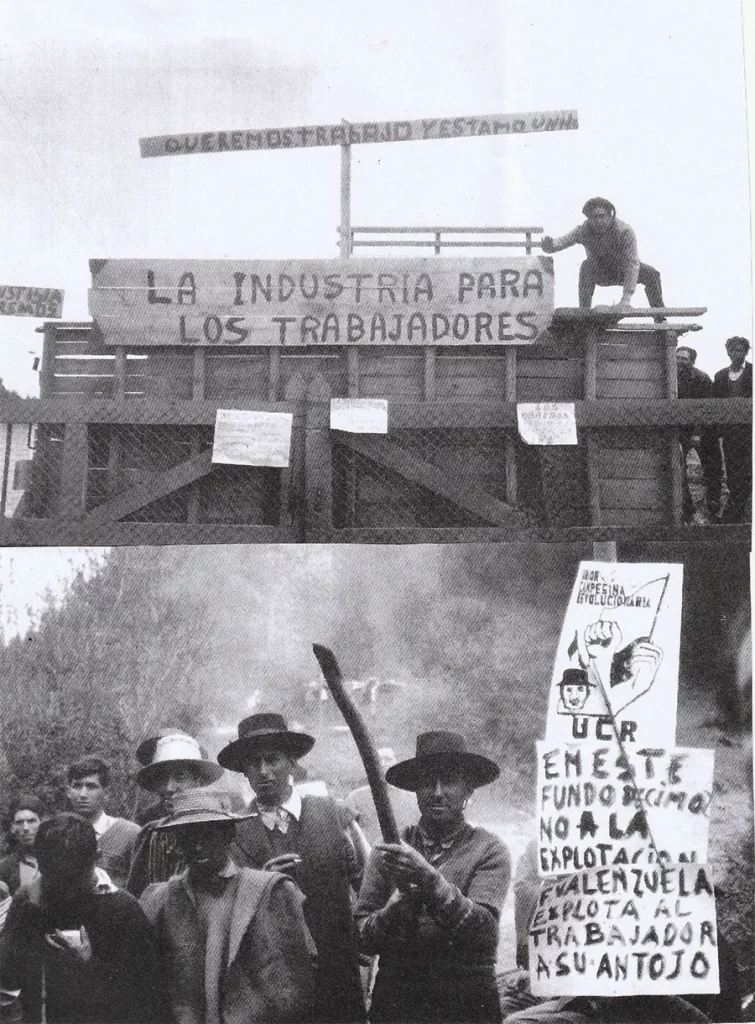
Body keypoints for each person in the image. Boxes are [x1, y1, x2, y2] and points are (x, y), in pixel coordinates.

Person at [218, 713, 367, 1024]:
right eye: (253, 763)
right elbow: (224, 915)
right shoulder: (232, 836)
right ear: (243, 770)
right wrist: (256, 887)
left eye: (272, 759)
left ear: (291, 762)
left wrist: (360, 943)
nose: (264, 771)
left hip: (337, 984)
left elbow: (370, 890)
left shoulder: (336, 817)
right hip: (270, 991)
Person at [355, 730, 511, 1024]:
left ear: (468, 790)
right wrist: (391, 912)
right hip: (398, 1004)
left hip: (466, 1005)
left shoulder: (489, 850)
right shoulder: (389, 850)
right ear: (416, 790)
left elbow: (483, 933)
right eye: (428, 782)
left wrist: (428, 878)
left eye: (449, 781)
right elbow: (361, 939)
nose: (437, 792)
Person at [140, 787, 316, 1024]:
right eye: (188, 837)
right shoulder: (161, 899)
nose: (198, 846)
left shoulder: (269, 892)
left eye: (207, 834)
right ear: (177, 842)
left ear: (229, 834)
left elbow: (293, 980)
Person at [0, 813, 167, 1024]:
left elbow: (148, 996)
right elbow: (8, 977)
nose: (67, 892)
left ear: (97, 858)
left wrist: (90, 963)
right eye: (56, 879)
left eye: (73, 880)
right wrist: (29, 911)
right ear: (41, 865)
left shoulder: (122, 909)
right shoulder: (29, 900)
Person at [126, 730, 225, 897]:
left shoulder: (222, 829)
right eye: (163, 778)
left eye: (180, 777)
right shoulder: (150, 835)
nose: (169, 787)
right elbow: (136, 895)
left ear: (198, 781)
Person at [541, 198, 664, 315]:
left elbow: (632, 264)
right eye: (594, 217)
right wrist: (550, 246)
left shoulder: (624, 231)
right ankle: (584, 312)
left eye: (602, 216)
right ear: (589, 219)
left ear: (610, 216)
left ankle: (660, 318)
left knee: (652, 274)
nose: (598, 221)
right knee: (586, 266)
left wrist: (625, 300)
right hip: (602, 272)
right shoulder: (584, 230)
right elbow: (562, 242)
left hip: (623, 270)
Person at [65, 757, 139, 889]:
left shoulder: (130, 834)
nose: (82, 794)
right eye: (77, 786)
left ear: (106, 793)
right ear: (68, 792)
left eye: (91, 786)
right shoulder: (58, 833)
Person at [676, 346, 723, 522]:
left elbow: (707, 407)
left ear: (692, 361)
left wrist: (698, 433)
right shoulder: (671, 378)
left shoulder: (702, 378)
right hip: (681, 430)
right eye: (677, 358)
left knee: (712, 468)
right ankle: (687, 509)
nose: (680, 362)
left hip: (703, 430)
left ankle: (712, 508)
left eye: (684, 359)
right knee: (678, 467)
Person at [712, 336, 752, 523]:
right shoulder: (720, 376)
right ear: (728, 352)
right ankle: (735, 512)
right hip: (730, 432)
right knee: (732, 470)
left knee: (748, 470)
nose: (736, 354)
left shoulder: (752, 372)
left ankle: (740, 512)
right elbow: (715, 404)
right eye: (733, 350)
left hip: (749, 431)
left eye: (740, 350)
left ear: (746, 352)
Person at [345, 747, 417, 847]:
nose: (383, 764)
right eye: (378, 760)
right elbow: (345, 828)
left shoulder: (412, 797)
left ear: (396, 763)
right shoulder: (356, 797)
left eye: (388, 759)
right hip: (371, 852)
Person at [0, 797, 45, 896]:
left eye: (31, 821)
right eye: (19, 822)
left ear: (42, 823)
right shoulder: (5, 868)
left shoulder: (59, 859)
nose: (25, 828)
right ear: (12, 828)